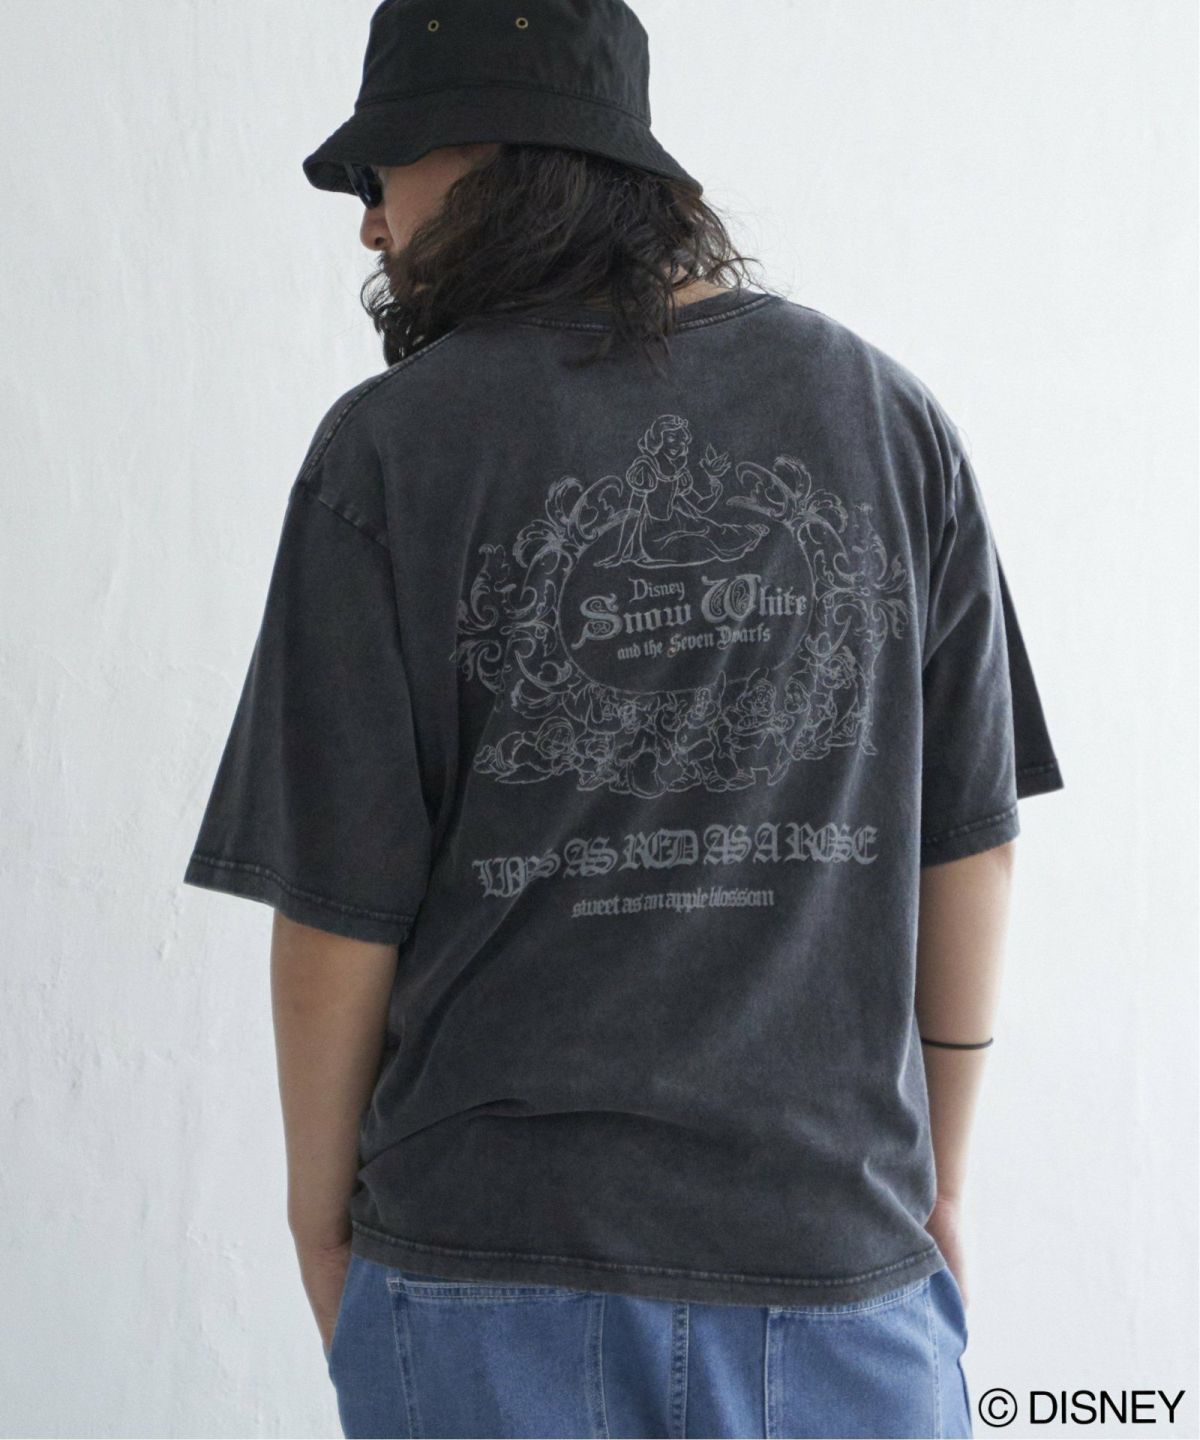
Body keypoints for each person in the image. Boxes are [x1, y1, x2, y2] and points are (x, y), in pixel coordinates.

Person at [182, 2, 1065, 1436]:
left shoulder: (391, 452)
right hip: (837, 1271)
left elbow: (339, 911)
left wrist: (316, 1223)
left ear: (486, 150)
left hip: (484, 1270)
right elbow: (971, 846)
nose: (371, 225)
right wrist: (941, 1183)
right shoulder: (887, 419)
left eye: (380, 174)